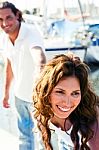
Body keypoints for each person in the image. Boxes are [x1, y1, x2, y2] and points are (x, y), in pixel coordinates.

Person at [0, 1, 46, 150]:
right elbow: (9, 66)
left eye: (8, 18)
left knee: (42, 138)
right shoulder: (4, 38)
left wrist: (39, 86)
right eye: (0, 20)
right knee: (24, 137)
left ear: (17, 15)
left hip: (35, 98)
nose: (5, 23)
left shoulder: (30, 32)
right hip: (19, 96)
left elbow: (39, 58)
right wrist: (6, 93)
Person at [33, 52, 99, 150]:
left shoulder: (91, 115)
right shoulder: (41, 116)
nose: (67, 103)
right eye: (60, 92)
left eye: (75, 93)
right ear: (46, 90)